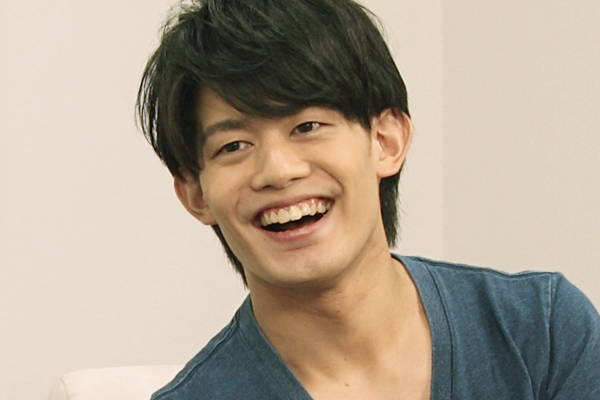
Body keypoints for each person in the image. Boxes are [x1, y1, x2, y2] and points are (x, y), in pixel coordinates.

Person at [136, 0, 600, 398]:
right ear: (195, 195)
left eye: (307, 126)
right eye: (233, 146)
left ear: (385, 141)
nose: (278, 171)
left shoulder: (542, 332)